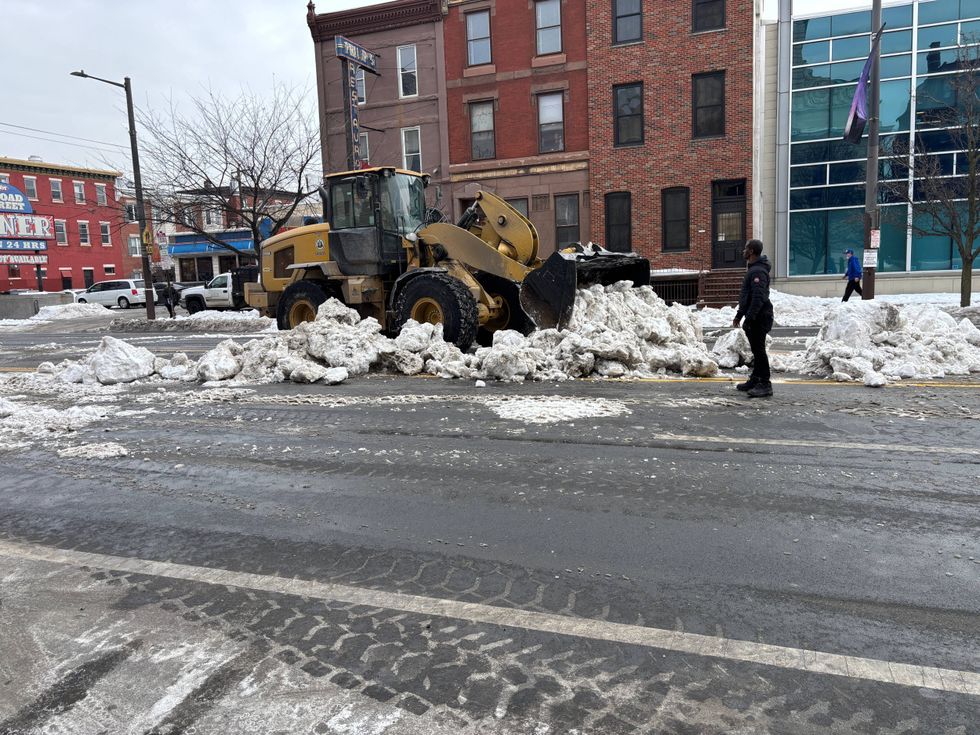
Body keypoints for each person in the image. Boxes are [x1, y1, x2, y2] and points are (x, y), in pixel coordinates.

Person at [732, 239, 774, 398]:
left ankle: (765, 384)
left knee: (759, 350)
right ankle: (756, 379)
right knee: (756, 350)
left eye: (745, 249)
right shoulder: (754, 269)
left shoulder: (757, 272)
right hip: (755, 316)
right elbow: (748, 297)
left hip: (760, 317)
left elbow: (758, 297)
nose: (743, 251)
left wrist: (749, 318)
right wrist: (739, 315)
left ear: (751, 251)